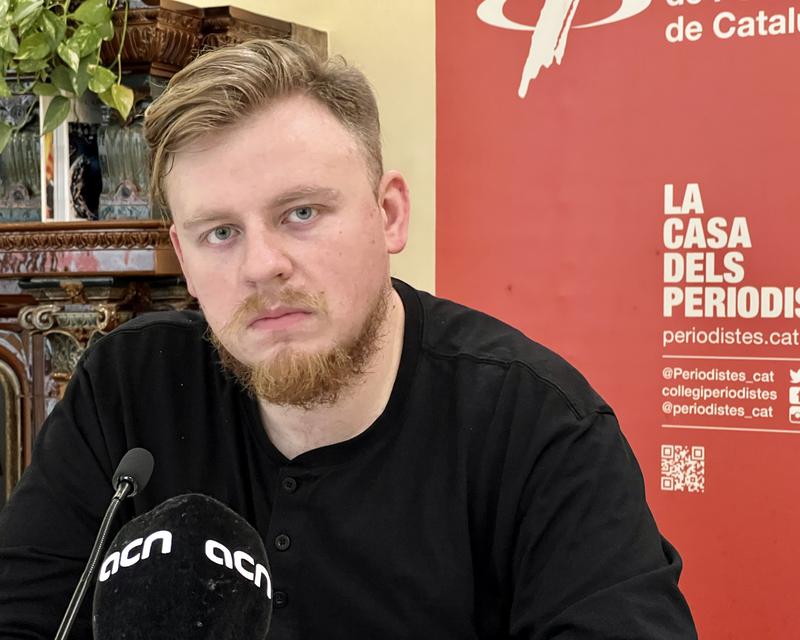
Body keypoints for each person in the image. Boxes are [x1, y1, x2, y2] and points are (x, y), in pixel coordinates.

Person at [0, 39, 697, 638]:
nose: (260, 265)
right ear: (184, 258)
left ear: (389, 215)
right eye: (221, 232)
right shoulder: (129, 388)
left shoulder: (540, 428)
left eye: (301, 213)